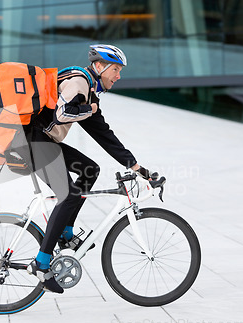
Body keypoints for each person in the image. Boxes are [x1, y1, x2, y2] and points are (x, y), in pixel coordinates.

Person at [26, 44, 151, 293]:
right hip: (31, 143)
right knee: (70, 195)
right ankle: (41, 263)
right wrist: (89, 109)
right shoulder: (79, 82)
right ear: (99, 66)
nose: (118, 76)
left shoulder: (89, 92)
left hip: (42, 143)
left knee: (90, 169)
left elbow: (105, 136)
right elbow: (63, 114)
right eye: (115, 69)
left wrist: (136, 167)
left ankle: (66, 232)